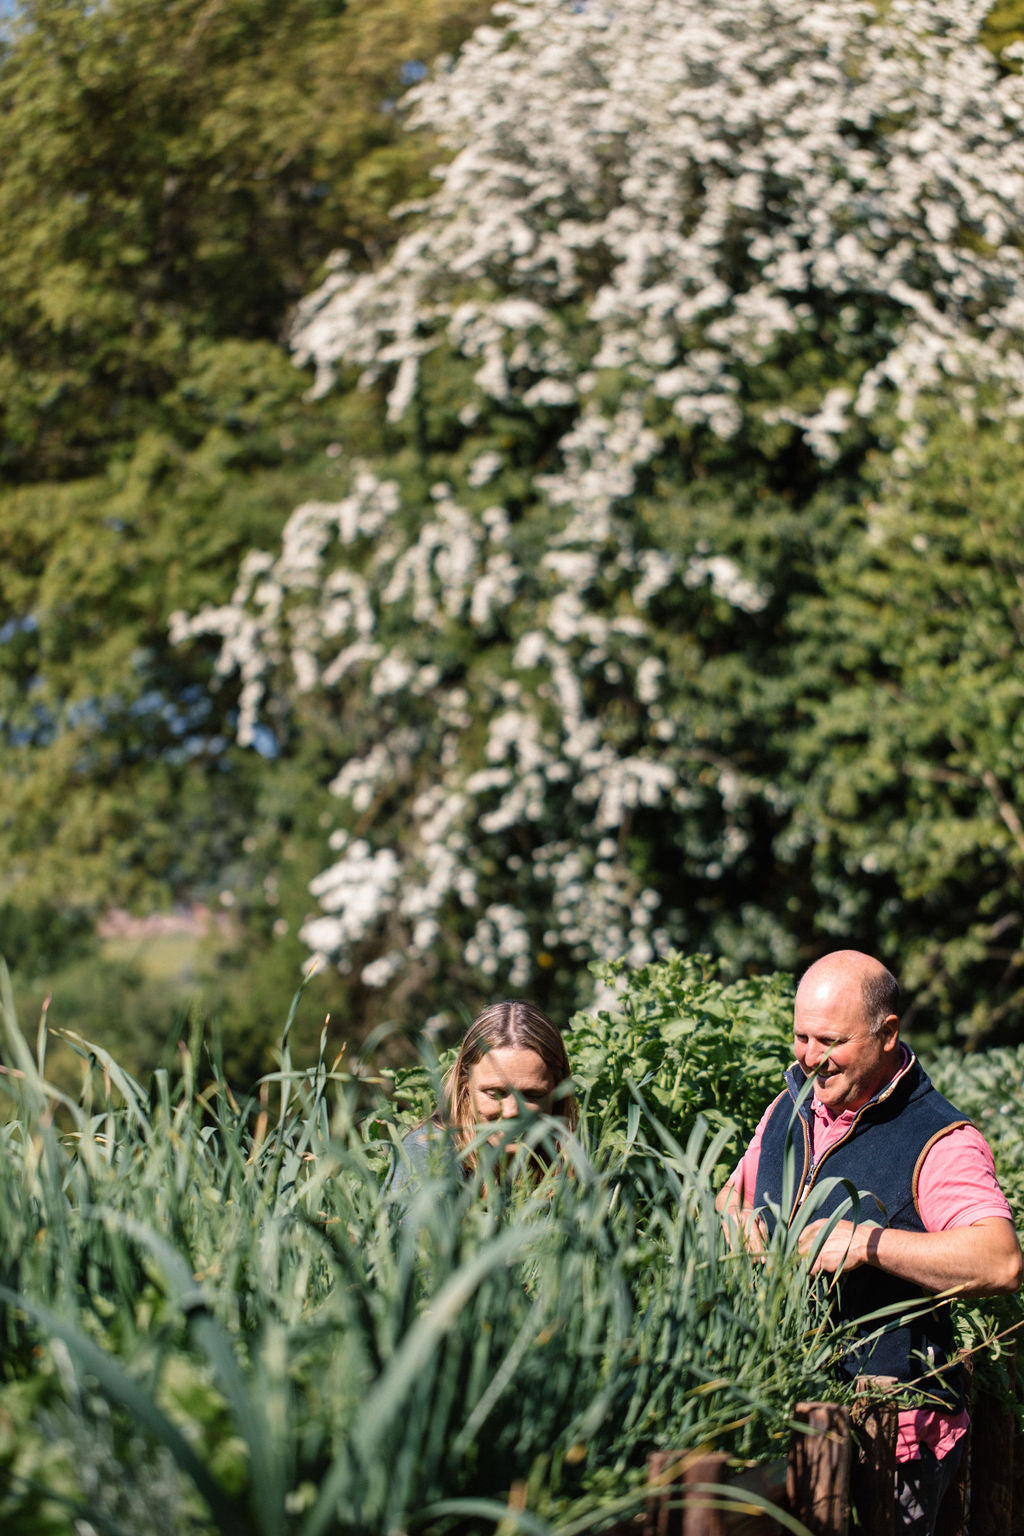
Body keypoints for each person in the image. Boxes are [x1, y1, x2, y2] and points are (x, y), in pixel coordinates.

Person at [718, 949, 1021, 1536]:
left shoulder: (941, 1139)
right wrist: (740, 1228)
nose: (809, 1059)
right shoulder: (788, 1105)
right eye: (800, 1037)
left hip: (893, 1444)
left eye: (829, 1041)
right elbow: (728, 1200)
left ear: (887, 1034)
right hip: (788, 1419)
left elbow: (1000, 1260)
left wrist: (867, 1244)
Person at [385, 999, 579, 1206]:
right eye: (494, 1093)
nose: (512, 1111)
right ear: (465, 1085)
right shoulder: (430, 1152)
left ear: (558, 1091)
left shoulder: (586, 1158)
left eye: (531, 1095)